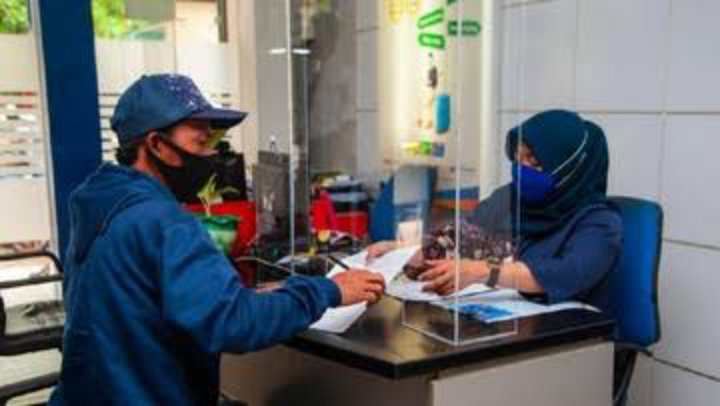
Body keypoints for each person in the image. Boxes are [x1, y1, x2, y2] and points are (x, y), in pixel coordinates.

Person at [49, 74, 385, 406]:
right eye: (200, 143)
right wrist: (329, 291)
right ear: (155, 144)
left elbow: (144, 300)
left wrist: (247, 296)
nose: (211, 154)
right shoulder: (165, 222)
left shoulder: (102, 202)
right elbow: (234, 323)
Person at [367, 109, 622, 312]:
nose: (522, 169)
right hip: (507, 322)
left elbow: (566, 273)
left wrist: (481, 271)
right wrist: (405, 252)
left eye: (534, 162)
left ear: (568, 170)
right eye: (518, 158)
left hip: (571, 338)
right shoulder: (512, 197)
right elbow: (466, 233)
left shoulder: (600, 223)